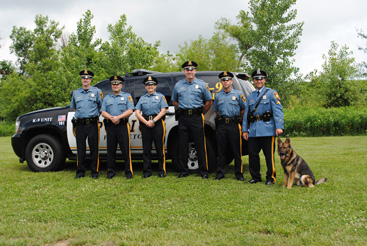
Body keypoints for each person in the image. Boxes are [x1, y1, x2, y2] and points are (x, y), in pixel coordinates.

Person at [171, 61, 213, 179]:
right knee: (183, 144)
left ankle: (204, 171)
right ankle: (183, 171)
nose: (189, 71)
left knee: (200, 144)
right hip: (183, 117)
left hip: (196, 117)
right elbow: (174, 101)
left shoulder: (202, 84)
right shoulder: (178, 85)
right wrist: (183, 110)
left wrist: (200, 113)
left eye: (192, 69)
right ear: (184, 71)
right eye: (187, 69)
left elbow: (209, 101)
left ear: (195, 71)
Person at [242, 69, 284, 185]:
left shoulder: (271, 93)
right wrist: (245, 130)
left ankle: (270, 178)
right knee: (253, 155)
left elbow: (278, 111)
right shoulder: (250, 96)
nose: (259, 81)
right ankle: (255, 177)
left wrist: (279, 126)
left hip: (268, 129)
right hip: (254, 130)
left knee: (269, 156)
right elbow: (247, 115)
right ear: (254, 81)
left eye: (261, 78)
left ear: (264, 80)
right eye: (256, 79)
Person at [212, 71, 246, 181]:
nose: (225, 82)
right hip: (222, 126)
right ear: (221, 82)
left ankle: (239, 174)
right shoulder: (218, 96)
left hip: (234, 125)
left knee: (237, 151)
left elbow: (243, 110)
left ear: (231, 81)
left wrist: (236, 120)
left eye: (227, 80)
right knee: (221, 151)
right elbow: (216, 111)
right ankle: (220, 173)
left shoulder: (238, 94)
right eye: (223, 80)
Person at [70, 70, 103, 179]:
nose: (85, 80)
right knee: (80, 149)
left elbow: (100, 107)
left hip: (92, 124)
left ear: (91, 80)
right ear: (81, 79)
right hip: (80, 124)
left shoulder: (97, 92)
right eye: (83, 78)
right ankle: (80, 171)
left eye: (88, 78)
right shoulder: (76, 93)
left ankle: (94, 171)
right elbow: (75, 108)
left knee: (94, 149)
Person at [101, 75, 134, 179]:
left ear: (121, 85)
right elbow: (103, 112)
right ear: (111, 85)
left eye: (117, 84)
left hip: (123, 125)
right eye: (113, 84)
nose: (115, 86)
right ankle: (110, 171)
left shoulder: (127, 96)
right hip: (110, 126)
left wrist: (118, 117)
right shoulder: (107, 98)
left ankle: (128, 172)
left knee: (125, 150)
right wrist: (111, 118)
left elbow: (130, 110)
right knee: (110, 150)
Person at [135, 76, 169, 178]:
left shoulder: (161, 97)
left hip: (157, 123)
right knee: (146, 149)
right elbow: (137, 113)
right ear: (145, 87)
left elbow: (163, 111)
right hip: (145, 124)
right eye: (148, 85)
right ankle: (147, 171)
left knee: (160, 148)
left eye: (152, 84)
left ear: (155, 86)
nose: (150, 86)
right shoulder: (142, 98)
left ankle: (161, 170)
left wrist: (153, 121)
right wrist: (146, 122)